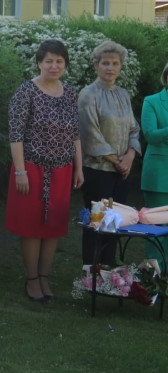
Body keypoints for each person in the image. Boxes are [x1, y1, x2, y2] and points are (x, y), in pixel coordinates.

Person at [5, 39, 83, 302]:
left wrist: (78, 167)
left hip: (62, 169)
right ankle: (32, 279)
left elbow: (75, 133)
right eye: (49, 61)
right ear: (39, 62)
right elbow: (15, 135)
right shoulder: (26, 91)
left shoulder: (70, 92)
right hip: (31, 168)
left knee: (54, 226)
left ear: (65, 64)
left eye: (59, 61)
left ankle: (44, 277)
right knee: (31, 225)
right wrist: (20, 171)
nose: (54, 66)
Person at [79, 41, 141, 266]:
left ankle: (109, 272)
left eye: (115, 63)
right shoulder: (88, 94)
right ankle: (91, 274)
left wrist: (130, 156)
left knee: (115, 223)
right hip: (98, 171)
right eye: (105, 63)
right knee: (97, 223)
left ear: (120, 66)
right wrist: (116, 160)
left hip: (121, 171)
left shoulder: (123, 94)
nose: (110, 68)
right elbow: (89, 134)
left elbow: (134, 128)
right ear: (96, 65)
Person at [141, 62, 168, 267]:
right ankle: (155, 275)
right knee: (157, 227)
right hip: (158, 175)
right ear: (166, 78)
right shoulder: (151, 101)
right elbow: (150, 135)